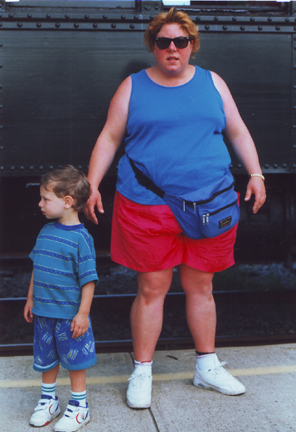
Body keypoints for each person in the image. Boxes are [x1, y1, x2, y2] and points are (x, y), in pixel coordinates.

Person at [85, 8, 266, 409]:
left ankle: (206, 366)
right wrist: (92, 183)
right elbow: (110, 136)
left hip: (210, 204)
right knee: (152, 289)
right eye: (163, 41)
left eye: (180, 42)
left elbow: (236, 129)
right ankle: (143, 370)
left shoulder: (212, 83)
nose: (172, 49)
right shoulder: (132, 87)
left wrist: (256, 174)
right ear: (153, 46)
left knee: (202, 287)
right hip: (148, 206)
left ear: (192, 46)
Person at [24, 165, 98, 431]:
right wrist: (31, 298)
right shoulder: (45, 232)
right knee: (46, 358)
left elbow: (88, 280)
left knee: (75, 359)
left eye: (46, 198)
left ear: (67, 202)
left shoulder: (81, 239)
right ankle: (49, 401)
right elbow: (37, 267)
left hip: (69, 316)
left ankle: (79, 407)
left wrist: (82, 314)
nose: (40, 203)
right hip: (44, 312)